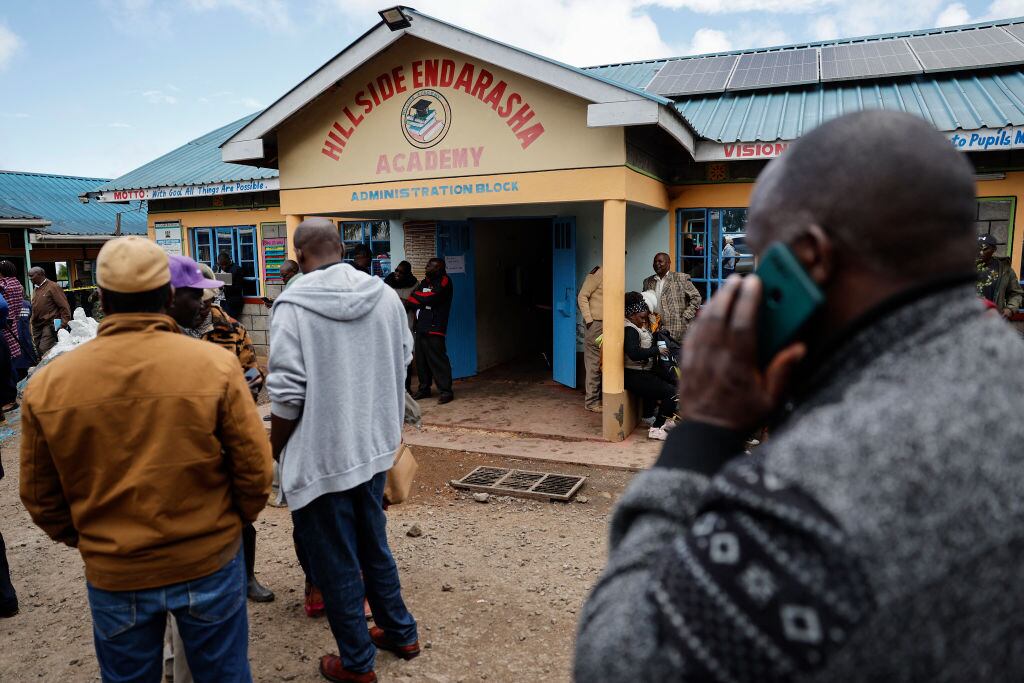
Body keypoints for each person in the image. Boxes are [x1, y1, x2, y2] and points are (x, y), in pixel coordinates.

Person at [576, 110, 1024, 681]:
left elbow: (618, 662)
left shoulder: (819, 484)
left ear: (808, 261)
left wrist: (706, 429)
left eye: (765, 260)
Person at [20, 236, 272, 682]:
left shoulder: (49, 384)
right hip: (207, 561)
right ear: (168, 294)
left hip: (116, 571)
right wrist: (226, 528)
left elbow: (40, 496)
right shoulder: (214, 367)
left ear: (100, 298)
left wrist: (96, 543)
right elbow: (254, 470)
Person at [269, 218, 419, 683]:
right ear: (340, 246)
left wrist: (277, 449)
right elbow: (405, 357)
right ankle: (400, 632)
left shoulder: (291, 305)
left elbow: (288, 394)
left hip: (322, 457)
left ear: (299, 255)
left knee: (335, 562)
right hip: (373, 447)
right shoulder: (386, 297)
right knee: (374, 544)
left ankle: (356, 664)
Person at [166, 256, 274, 604]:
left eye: (207, 301)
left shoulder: (230, 329)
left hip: (223, 436)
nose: (202, 308)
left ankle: (247, 578)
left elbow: (252, 378)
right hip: (176, 441)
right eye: (197, 300)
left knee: (239, 514)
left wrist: (228, 411)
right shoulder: (161, 332)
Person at [622, 293, 676, 441]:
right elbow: (633, 353)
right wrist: (656, 350)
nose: (643, 320)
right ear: (632, 315)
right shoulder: (630, 330)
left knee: (671, 383)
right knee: (671, 392)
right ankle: (657, 428)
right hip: (634, 375)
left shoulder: (636, 326)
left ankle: (655, 418)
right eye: (641, 318)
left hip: (641, 373)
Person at [407, 257, 455, 404]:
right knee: (421, 360)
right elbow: (414, 299)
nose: (427, 267)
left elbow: (432, 297)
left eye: (430, 265)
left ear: (439, 268)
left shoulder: (445, 281)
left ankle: (446, 391)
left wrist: (417, 297)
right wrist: (418, 298)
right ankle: (424, 389)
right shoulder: (425, 282)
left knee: (437, 360)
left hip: (435, 326)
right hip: (421, 326)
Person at [642, 252, 702, 344]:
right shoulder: (648, 282)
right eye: (655, 262)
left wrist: (686, 316)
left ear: (668, 263)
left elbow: (696, 297)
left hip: (678, 327)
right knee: (661, 355)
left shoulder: (680, 278)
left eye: (660, 261)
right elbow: (645, 303)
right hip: (656, 328)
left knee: (678, 355)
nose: (657, 264)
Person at [385, 260, 418, 392]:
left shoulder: (414, 284)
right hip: (390, 321)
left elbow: (417, 302)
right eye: (396, 270)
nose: (397, 273)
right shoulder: (388, 281)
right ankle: (392, 387)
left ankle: (406, 387)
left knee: (406, 354)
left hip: (407, 322)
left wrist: (406, 302)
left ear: (408, 273)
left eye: (401, 272)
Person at [976, 233, 1022, 318]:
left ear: (994, 249)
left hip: (995, 320)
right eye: (977, 248)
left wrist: (1010, 309)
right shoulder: (965, 268)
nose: (980, 252)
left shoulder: (1005, 270)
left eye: (985, 249)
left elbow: (1016, 294)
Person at [577, 266, 603, 413]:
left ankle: (596, 399)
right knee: (593, 363)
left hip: (607, 324)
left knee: (603, 364)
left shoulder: (614, 273)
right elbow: (582, 296)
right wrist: (589, 320)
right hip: (596, 323)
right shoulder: (598, 273)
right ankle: (591, 402)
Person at [28, 267, 71, 357]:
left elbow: (64, 307)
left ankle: (52, 369)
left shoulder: (53, 286)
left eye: (32, 276)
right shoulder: (36, 289)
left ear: (40, 274)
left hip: (50, 324)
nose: (30, 278)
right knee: (38, 349)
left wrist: (63, 324)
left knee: (44, 349)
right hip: (37, 325)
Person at [0, 261, 23, 408]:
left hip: (4, 326)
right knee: (11, 360)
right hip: (14, 323)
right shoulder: (18, 284)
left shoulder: (4, 285)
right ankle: (13, 393)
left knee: (5, 363)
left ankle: (10, 398)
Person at [217, 251, 245, 319]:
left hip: (232, 303)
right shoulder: (218, 268)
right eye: (221, 265)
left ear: (229, 261)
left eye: (225, 264)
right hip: (220, 302)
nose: (223, 267)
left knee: (230, 325)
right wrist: (220, 287)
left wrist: (225, 285)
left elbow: (239, 288)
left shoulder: (237, 269)